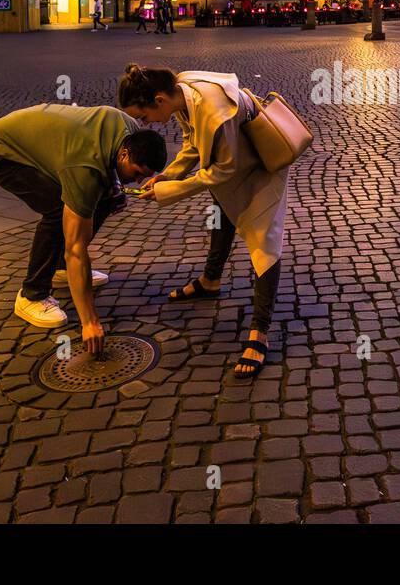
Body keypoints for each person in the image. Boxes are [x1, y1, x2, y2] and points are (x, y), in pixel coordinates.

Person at [117, 65, 289, 381]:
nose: (145, 124)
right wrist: (167, 175)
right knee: (221, 212)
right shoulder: (182, 90)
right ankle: (211, 281)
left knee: (266, 242)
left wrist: (168, 189)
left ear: (158, 100)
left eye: (142, 116)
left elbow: (220, 171)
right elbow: (193, 142)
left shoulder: (216, 115)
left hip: (261, 167)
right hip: (237, 161)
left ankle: (260, 332)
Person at [0, 104, 166, 350]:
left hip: (46, 142)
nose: (139, 181)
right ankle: (31, 295)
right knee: (58, 211)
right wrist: (90, 322)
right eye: (138, 173)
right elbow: (76, 248)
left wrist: (114, 188)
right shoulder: (85, 169)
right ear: (124, 154)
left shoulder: (128, 129)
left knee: (106, 198)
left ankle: (61, 270)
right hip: (0, 151)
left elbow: (105, 169)